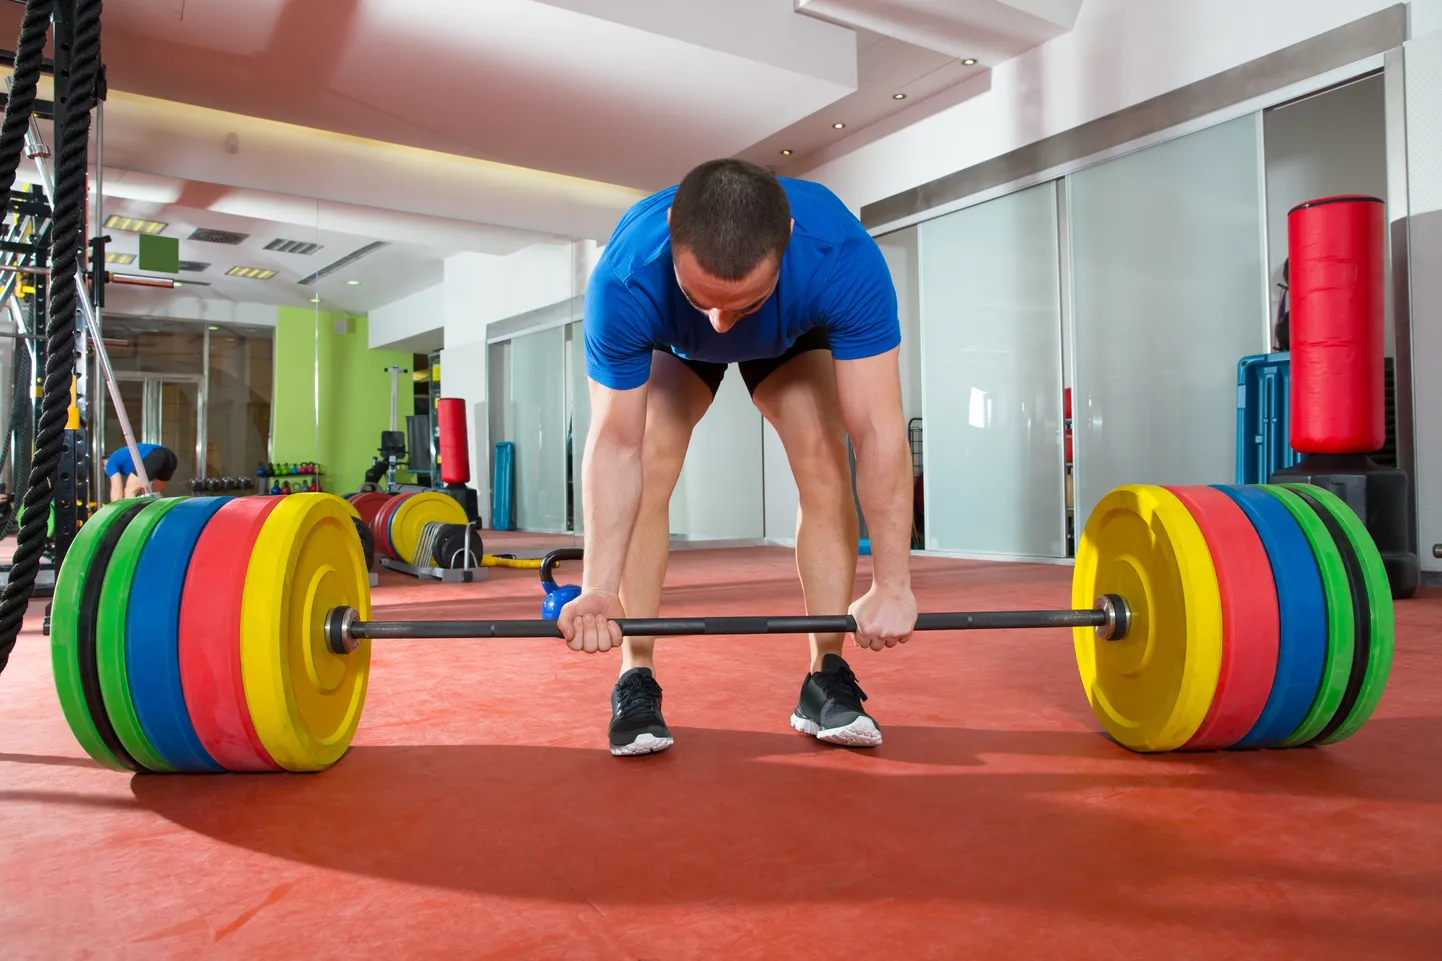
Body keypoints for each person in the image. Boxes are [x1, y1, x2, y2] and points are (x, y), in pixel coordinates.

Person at [560, 158, 917, 757]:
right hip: (671, 337)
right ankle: (635, 675)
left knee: (824, 457)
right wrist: (597, 586)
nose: (722, 325)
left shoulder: (839, 256)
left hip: (792, 332)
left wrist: (893, 582)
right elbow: (615, 444)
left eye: (741, 304)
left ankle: (825, 677)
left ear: (789, 245)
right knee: (651, 454)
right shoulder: (626, 277)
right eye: (706, 299)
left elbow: (878, 431)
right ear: (672, 232)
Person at [105, 442, 176, 501]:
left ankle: (129, 517)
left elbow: (116, 490)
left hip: (154, 455)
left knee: (130, 490)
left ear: (103, 462)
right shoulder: (121, 457)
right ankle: (162, 516)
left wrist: (114, 512)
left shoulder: (110, 462)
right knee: (155, 494)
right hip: (170, 457)